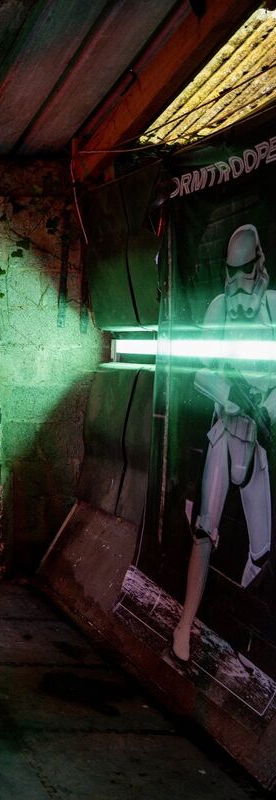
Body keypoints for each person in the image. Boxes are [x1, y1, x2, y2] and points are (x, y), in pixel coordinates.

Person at [172, 224, 276, 662]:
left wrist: (266, 406)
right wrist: (229, 394)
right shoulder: (219, 308)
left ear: (259, 264)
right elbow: (199, 370)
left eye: (244, 271)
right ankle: (185, 623)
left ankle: (240, 632)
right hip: (224, 433)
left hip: (257, 440)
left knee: (263, 550)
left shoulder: (272, 307)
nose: (237, 283)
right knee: (204, 531)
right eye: (231, 273)